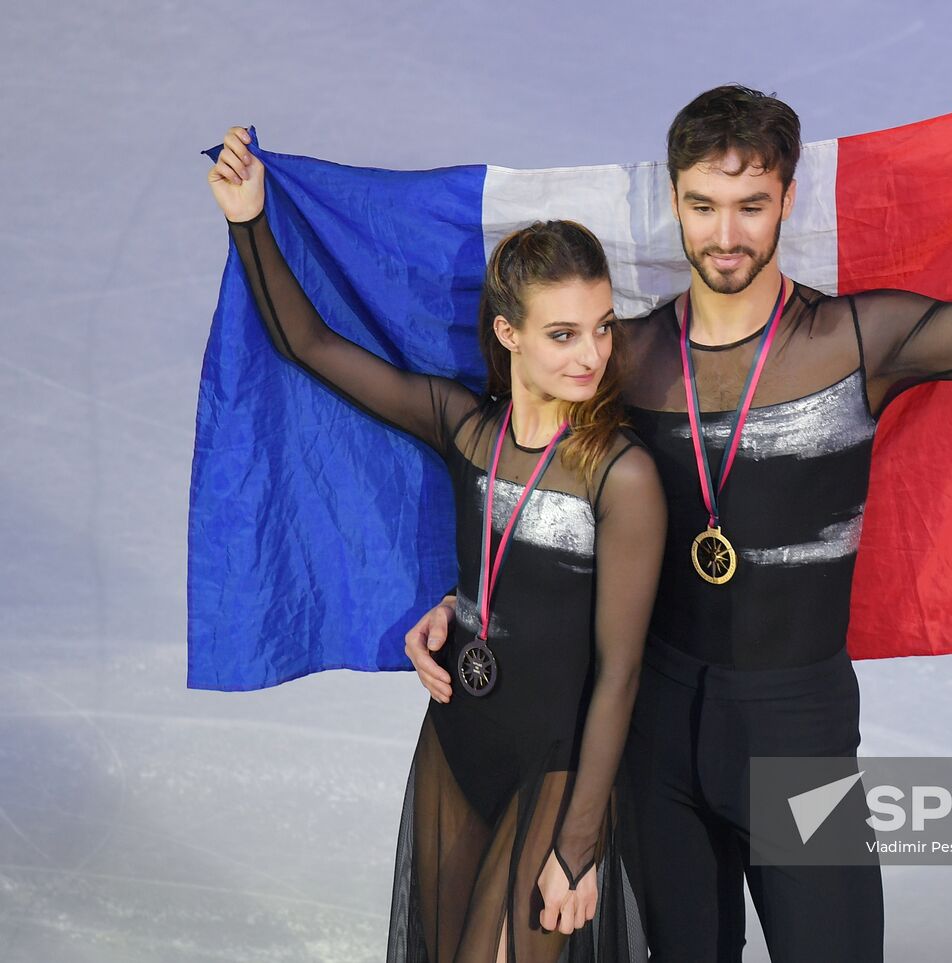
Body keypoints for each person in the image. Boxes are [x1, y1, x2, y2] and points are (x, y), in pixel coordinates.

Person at [405, 46, 952, 962]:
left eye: (751, 205)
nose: (726, 234)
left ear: (787, 199)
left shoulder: (857, 341)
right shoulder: (624, 356)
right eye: (703, 206)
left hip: (798, 740)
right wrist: (472, 604)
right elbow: (518, 461)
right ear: (675, 202)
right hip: (655, 734)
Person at [207, 126, 667, 963]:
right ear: (508, 334)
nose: (592, 354)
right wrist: (249, 222)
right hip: (455, 744)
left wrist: (580, 845)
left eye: (601, 328)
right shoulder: (464, 427)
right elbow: (307, 344)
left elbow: (620, 672)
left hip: (557, 769)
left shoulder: (620, 474)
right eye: (563, 334)